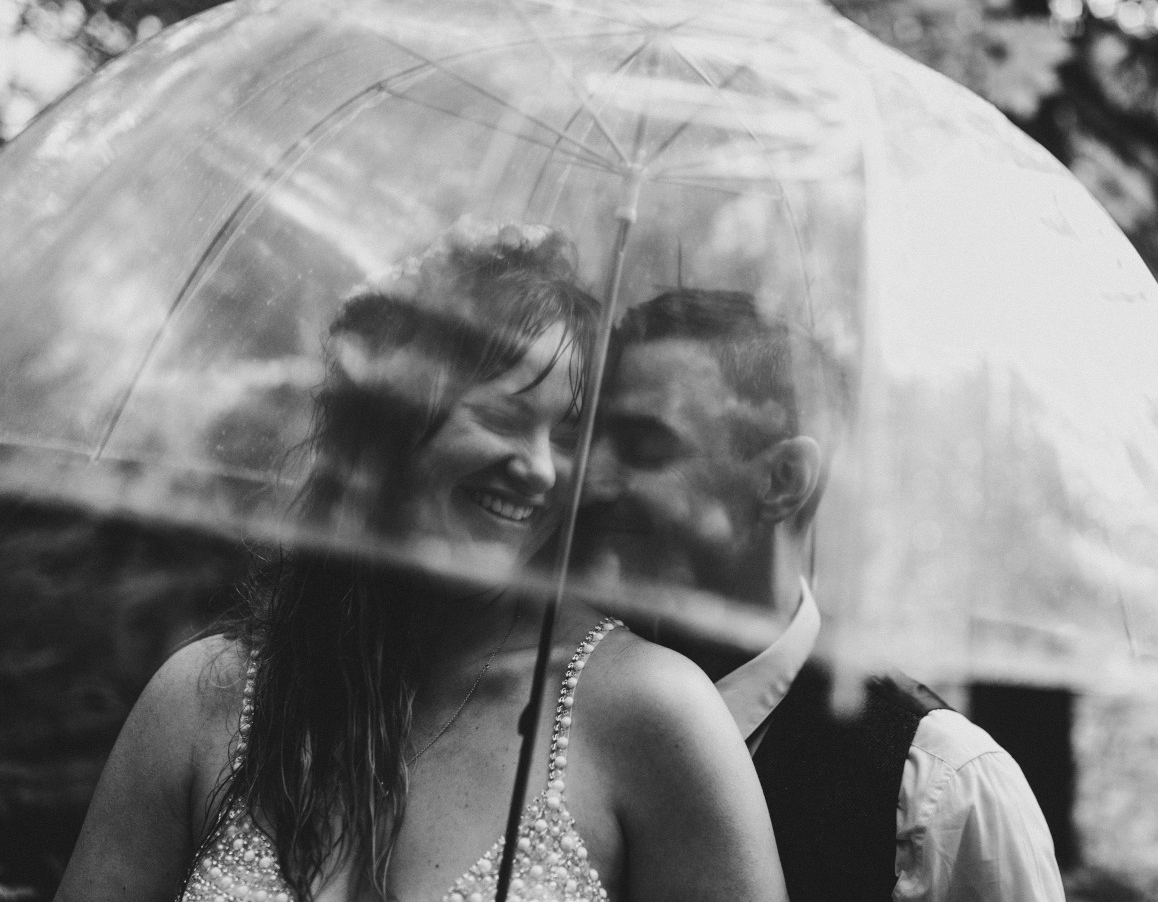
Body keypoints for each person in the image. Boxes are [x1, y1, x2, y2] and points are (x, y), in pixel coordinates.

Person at [56, 225, 787, 902]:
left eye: (568, 436)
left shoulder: (653, 717)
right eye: (503, 414)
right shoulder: (201, 700)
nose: (537, 469)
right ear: (383, 424)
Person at [574, 289, 1066, 902]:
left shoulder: (942, 788)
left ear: (783, 481)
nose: (587, 479)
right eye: (587, 439)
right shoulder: (543, 717)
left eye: (645, 446)